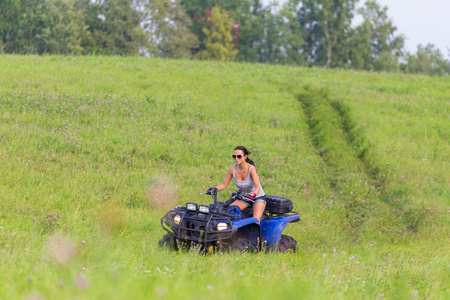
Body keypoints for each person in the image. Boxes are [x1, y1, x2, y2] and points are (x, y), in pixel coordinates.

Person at [207, 146, 266, 222]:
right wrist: (214, 189)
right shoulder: (232, 169)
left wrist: (253, 194)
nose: (236, 158)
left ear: (245, 157)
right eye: (234, 156)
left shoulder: (251, 169)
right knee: (229, 212)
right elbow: (224, 185)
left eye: (239, 156)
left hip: (258, 197)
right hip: (245, 198)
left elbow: (257, 186)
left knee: (255, 220)